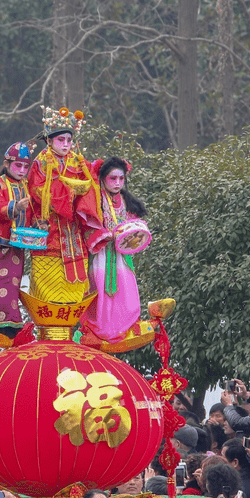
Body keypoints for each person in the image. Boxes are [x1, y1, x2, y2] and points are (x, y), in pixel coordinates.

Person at [27, 107, 99, 304]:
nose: (66, 144)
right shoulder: (41, 162)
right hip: (51, 227)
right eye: (61, 140)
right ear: (49, 141)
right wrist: (68, 194)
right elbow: (37, 190)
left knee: (74, 289)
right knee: (48, 285)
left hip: (73, 227)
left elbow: (91, 184)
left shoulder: (78, 160)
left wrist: (81, 194)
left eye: (69, 140)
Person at [78, 157, 148, 343]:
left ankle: (123, 329)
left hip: (121, 256)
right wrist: (107, 235)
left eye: (121, 179)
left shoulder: (125, 201)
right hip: (101, 254)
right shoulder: (95, 200)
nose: (117, 183)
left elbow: (135, 224)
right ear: (102, 178)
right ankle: (98, 332)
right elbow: (87, 227)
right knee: (99, 291)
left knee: (125, 291)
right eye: (112, 179)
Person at [0, 141, 35, 336]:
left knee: (13, 283)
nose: (22, 170)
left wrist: (39, 225)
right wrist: (14, 207)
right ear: (6, 163)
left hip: (18, 243)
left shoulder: (27, 187)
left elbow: (33, 214)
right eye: (17, 165)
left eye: (25, 167)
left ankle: (12, 321)